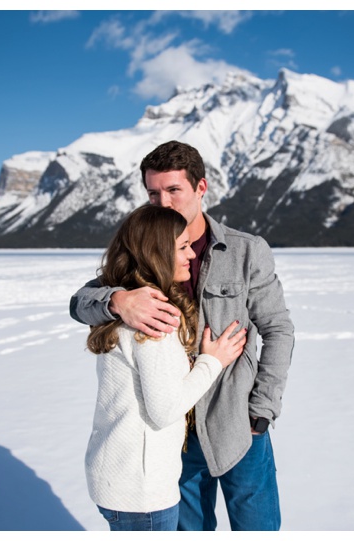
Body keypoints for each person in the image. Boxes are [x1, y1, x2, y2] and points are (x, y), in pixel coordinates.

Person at [71, 140, 295, 531]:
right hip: (176, 435)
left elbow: (278, 328)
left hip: (238, 420)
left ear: (200, 188)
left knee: (259, 528)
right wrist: (118, 300)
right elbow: (79, 303)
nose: (164, 202)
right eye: (153, 192)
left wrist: (262, 408)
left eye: (174, 189)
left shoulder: (245, 251)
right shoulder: (143, 251)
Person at [84, 204, 248, 531]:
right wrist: (213, 360)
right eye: (182, 247)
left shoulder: (129, 307)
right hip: (141, 491)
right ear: (157, 253)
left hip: (117, 476)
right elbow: (165, 409)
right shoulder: (154, 321)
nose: (191, 255)